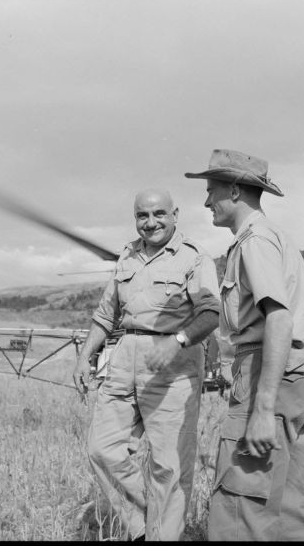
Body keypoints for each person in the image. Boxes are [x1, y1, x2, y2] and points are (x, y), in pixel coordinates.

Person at [185, 149, 304, 541]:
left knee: (240, 513)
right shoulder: (274, 237)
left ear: (233, 190)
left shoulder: (254, 242)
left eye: (211, 191)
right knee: (288, 514)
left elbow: (277, 318)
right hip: (295, 377)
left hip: (267, 376)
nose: (207, 201)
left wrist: (261, 408)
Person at [73, 188, 220, 541]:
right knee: (102, 448)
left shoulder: (195, 258)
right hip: (125, 357)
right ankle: (144, 526)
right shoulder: (127, 256)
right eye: (142, 215)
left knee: (168, 465)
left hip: (173, 361)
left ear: (175, 214)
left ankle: (162, 536)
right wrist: (84, 356)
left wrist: (179, 340)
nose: (150, 222)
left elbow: (211, 314)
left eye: (159, 214)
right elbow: (106, 315)